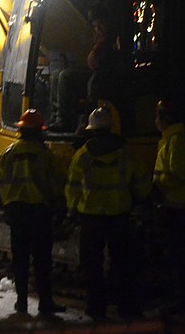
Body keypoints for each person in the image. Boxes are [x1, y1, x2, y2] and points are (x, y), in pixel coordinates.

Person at [65, 107, 151, 320]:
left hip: (90, 219)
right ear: (110, 127)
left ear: (91, 129)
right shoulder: (126, 153)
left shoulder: (82, 156)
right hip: (118, 216)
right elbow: (141, 184)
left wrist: (71, 210)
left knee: (92, 265)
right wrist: (142, 198)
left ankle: (96, 307)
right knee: (122, 263)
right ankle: (125, 306)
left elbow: (72, 187)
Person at [0, 109, 66, 317]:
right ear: (39, 132)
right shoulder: (46, 156)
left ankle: (21, 302)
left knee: (20, 258)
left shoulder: (8, 154)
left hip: (16, 212)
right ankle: (45, 302)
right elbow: (56, 186)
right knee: (42, 260)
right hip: (39, 212)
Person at [152, 99, 185, 317]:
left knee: (184, 259)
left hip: (182, 209)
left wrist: (156, 187)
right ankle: (183, 301)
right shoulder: (172, 140)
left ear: (164, 119)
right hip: (178, 207)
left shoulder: (177, 142)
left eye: (157, 116)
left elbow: (176, 174)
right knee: (182, 258)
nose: (155, 121)